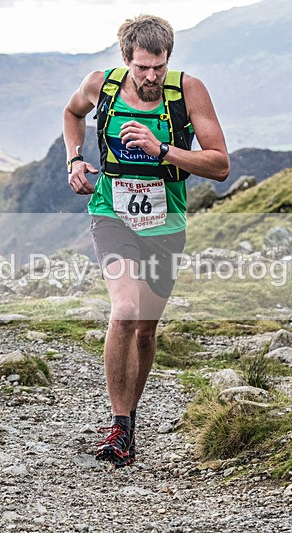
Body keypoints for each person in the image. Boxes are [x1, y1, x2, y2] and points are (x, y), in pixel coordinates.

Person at [63, 14, 229, 468]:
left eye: (159, 66)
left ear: (168, 58)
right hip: (110, 212)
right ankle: (119, 425)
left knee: (146, 328)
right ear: (125, 60)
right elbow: (72, 113)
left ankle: (128, 420)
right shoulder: (102, 85)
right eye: (142, 68)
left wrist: (163, 150)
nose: (151, 77)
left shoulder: (187, 91)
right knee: (125, 310)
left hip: (166, 221)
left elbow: (219, 165)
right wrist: (74, 160)